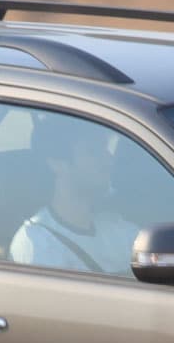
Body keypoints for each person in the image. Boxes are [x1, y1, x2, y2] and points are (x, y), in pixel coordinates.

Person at [10, 115, 142, 275]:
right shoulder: (38, 244)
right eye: (93, 151)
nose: (109, 159)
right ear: (57, 164)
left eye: (105, 148)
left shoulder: (117, 228)